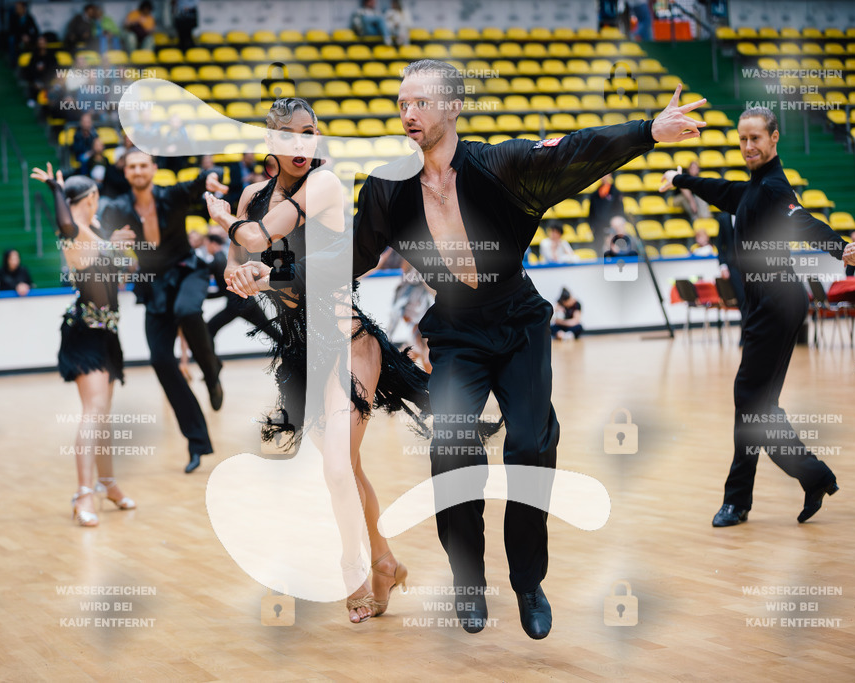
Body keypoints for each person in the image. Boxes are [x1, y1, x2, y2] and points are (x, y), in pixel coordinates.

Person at [353, 58, 706, 639]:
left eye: (420, 102)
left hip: (519, 322)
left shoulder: (500, 166)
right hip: (457, 332)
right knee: (451, 447)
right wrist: (279, 271)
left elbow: (575, 152)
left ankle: (527, 582)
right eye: (402, 103)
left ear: (453, 106)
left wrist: (648, 131)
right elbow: (352, 254)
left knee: (532, 444)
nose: (408, 113)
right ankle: (469, 581)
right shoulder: (388, 188)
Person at [206, 97, 431, 624]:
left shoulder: (324, 184)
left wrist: (225, 221)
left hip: (347, 340)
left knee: (334, 467)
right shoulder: (252, 196)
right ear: (271, 141)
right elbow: (241, 261)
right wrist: (239, 274)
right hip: (299, 350)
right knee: (345, 468)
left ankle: (354, 574)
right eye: (289, 134)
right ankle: (385, 562)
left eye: (309, 132)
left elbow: (257, 238)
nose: (301, 143)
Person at [659, 106, 855, 528]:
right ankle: (812, 477)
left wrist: (839, 247)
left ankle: (740, 500)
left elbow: (800, 220)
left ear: (774, 138)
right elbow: (721, 190)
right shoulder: (753, 188)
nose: (748, 146)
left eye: (755, 138)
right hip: (770, 306)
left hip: (776, 305)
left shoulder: (773, 188)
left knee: (750, 403)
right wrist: (680, 180)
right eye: (743, 139)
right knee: (759, 408)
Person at [99, 150, 227, 473]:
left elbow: (201, 181)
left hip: (186, 273)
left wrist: (212, 177)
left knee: (187, 310)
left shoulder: (172, 195)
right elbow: (100, 239)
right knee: (160, 360)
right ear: (126, 173)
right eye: (132, 166)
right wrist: (112, 241)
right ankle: (197, 442)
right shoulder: (118, 208)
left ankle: (211, 373)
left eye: (143, 165)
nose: (138, 170)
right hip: (153, 286)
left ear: (154, 169)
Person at [31, 164, 136, 527]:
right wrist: (56, 190)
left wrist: (119, 250)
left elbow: (116, 272)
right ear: (91, 197)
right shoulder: (73, 233)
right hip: (85, 333)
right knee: (93, 412)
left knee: (103, 415)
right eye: (96, 197)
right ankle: (83, 494)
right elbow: (65, 223)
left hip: (107, 333)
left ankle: (107, 483)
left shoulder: (94, 230)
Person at [587, 172, 624, 242]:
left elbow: (620, 210)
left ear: (610, 175)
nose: (604, 177)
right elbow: (591, 213)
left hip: (611, 227)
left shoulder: (615, 192)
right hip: (598, 228)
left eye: (606, 174)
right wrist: (592, 226)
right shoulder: (595, 195)